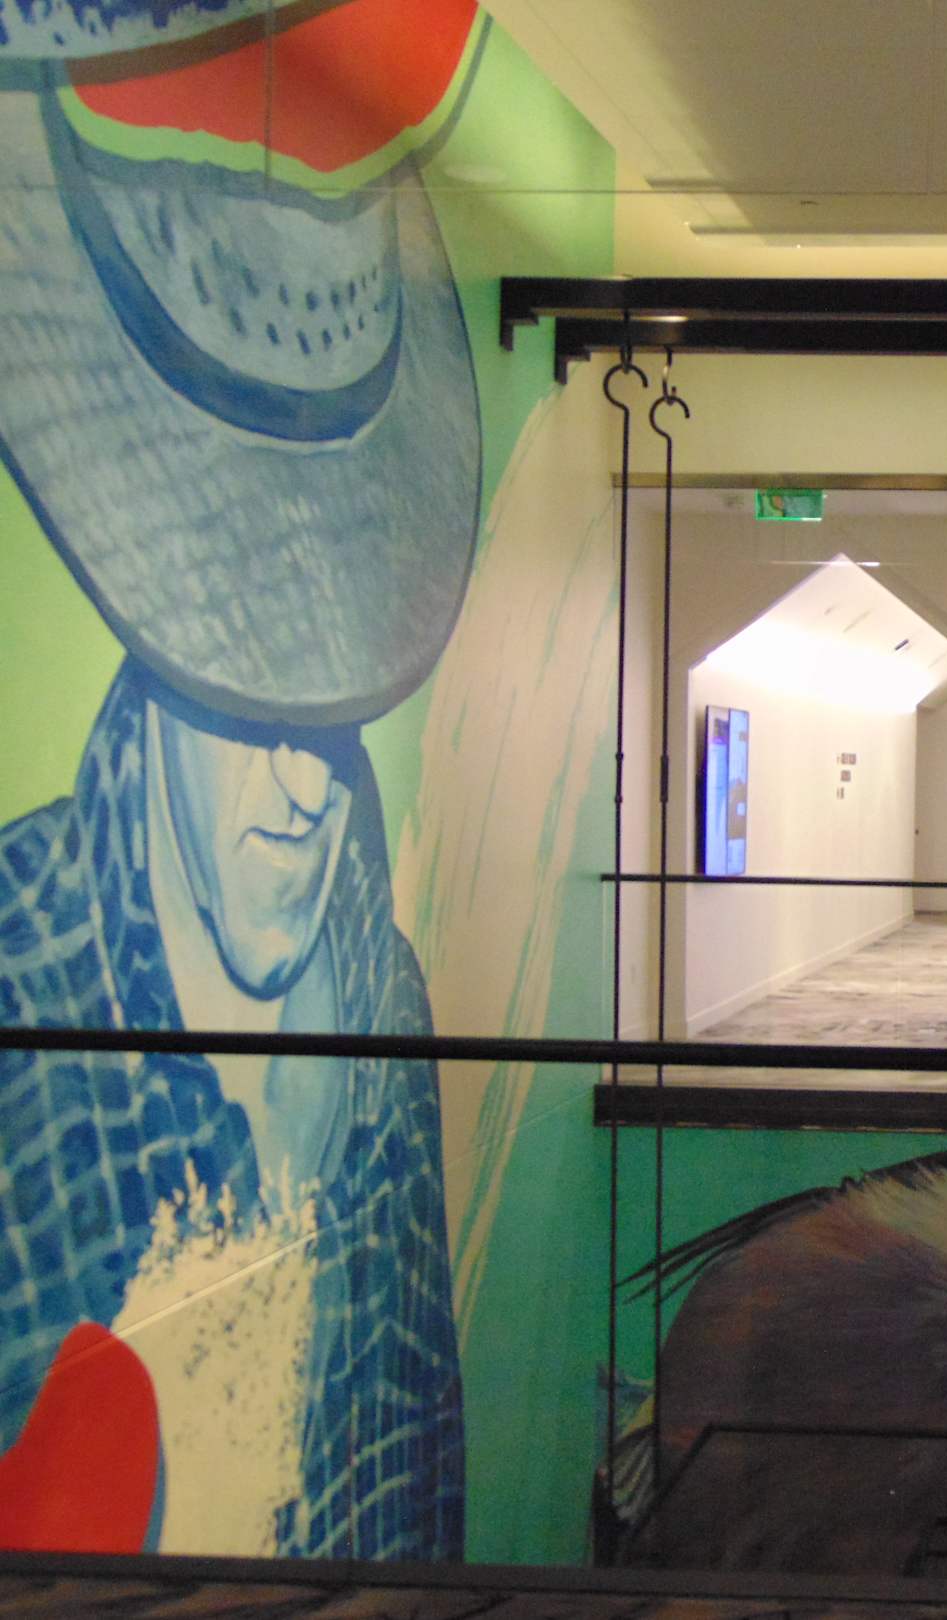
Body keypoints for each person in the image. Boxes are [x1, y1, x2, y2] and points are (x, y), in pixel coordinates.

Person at [0, 0, 484, 1559]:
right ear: (154, 676)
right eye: (253, 701)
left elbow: (419, 1446)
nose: (308, 784)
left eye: (332, 720)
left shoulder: (381, 998)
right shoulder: (20, 986)